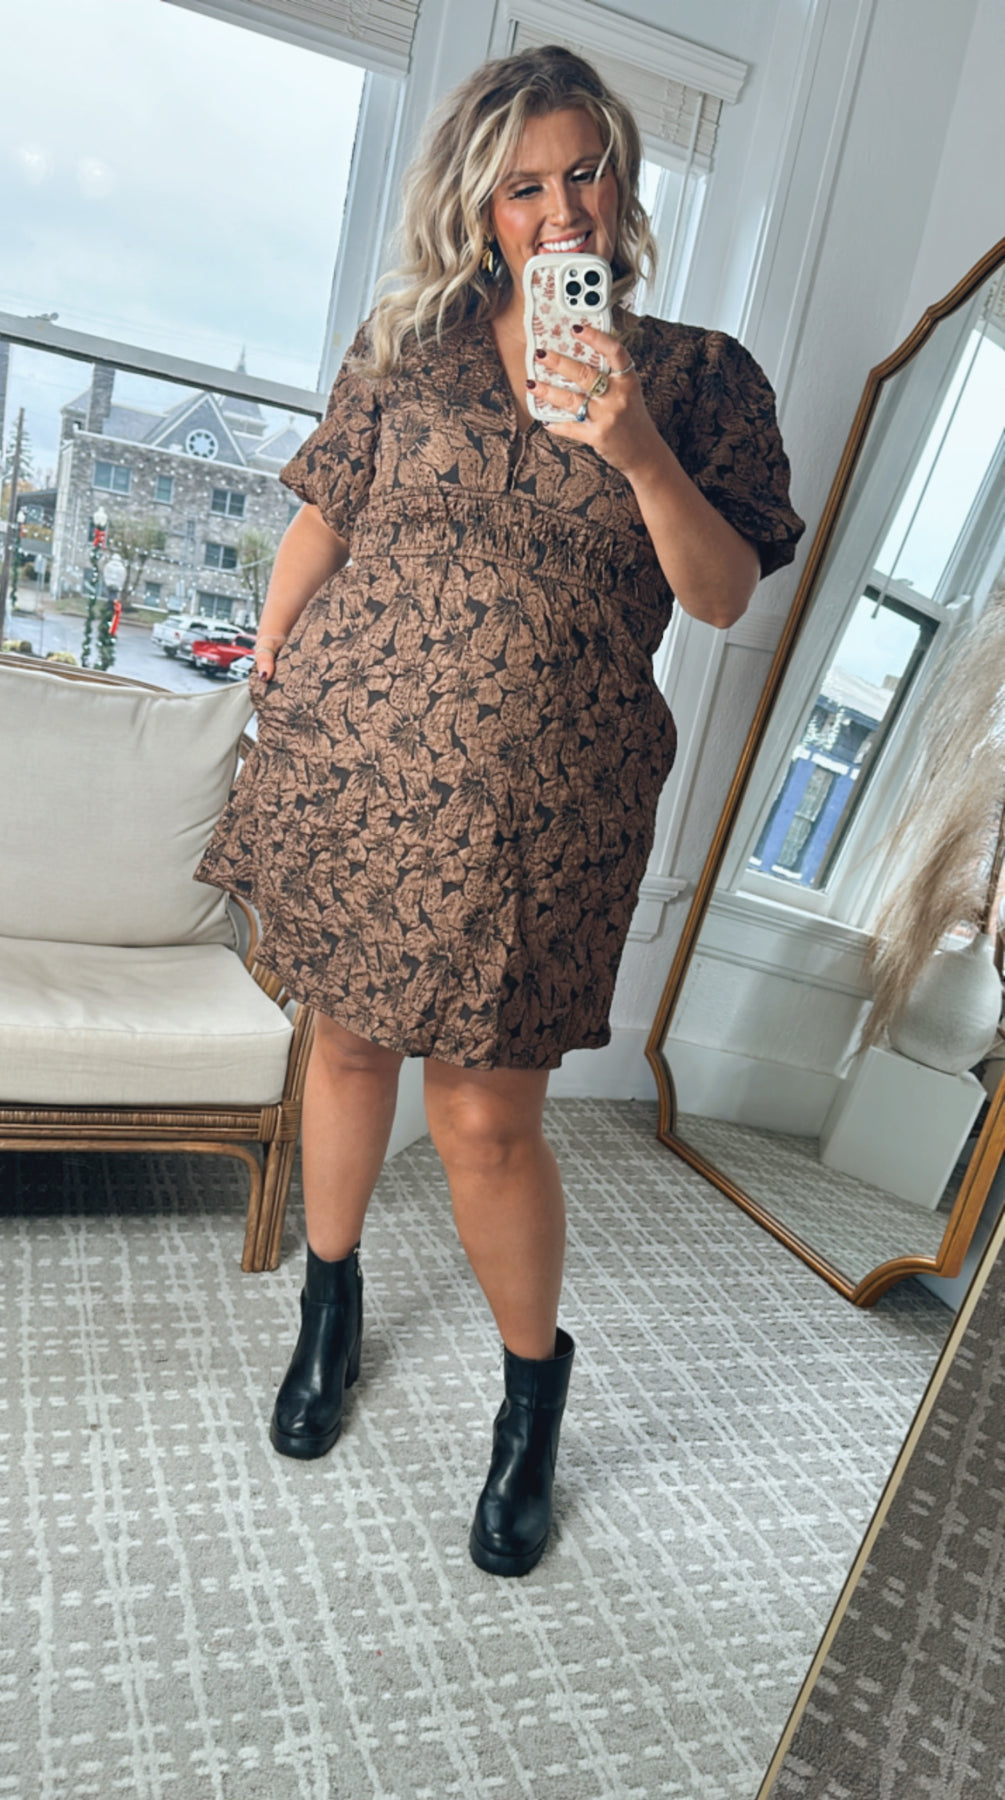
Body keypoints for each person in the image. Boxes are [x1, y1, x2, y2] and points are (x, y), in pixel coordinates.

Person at [195, 44, 804, 1577]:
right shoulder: (409, 344)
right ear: (479, 206)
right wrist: (276, 652)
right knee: (345, 1043)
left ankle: (531, 1396)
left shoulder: (702, 379)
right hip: (355, 763)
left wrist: (634, 448)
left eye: (583, 170)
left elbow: (721, 594)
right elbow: (329, 513)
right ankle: (328, 1303)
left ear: (622, 178)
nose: (562, 209)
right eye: (523, 186)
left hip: (547, 808)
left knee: (483, 1118)